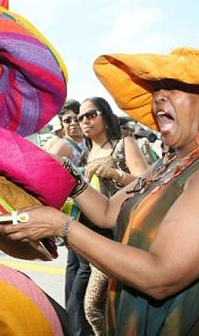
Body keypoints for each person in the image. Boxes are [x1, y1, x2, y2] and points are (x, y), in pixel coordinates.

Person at [0, 47, 199, 335]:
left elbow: (160, 276)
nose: (159, 96)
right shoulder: (171, 161)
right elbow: (107, 212)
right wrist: (66, 172)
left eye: (174, 87)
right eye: (157, 89)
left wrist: (61, 226)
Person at [77, 96, 148, 335]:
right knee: (112, 306)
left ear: (106, 116)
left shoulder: (124, 143)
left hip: (123, 231)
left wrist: (115, 174)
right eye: (80, 117)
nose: (84, 120)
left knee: (94, 307)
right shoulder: (85, 154)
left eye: (91, 114)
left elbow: (146, 180)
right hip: (93, 233)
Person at [47, 100, 92, 335]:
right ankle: (76, 325)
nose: (74, 124)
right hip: (72, 214)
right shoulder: (63, 147)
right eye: (68, 120)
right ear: (61, 125)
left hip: (83, 213)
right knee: (82, 269)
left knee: (75, 268)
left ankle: (71, 320)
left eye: (77, 118)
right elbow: (46, 176)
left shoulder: (83, 142)